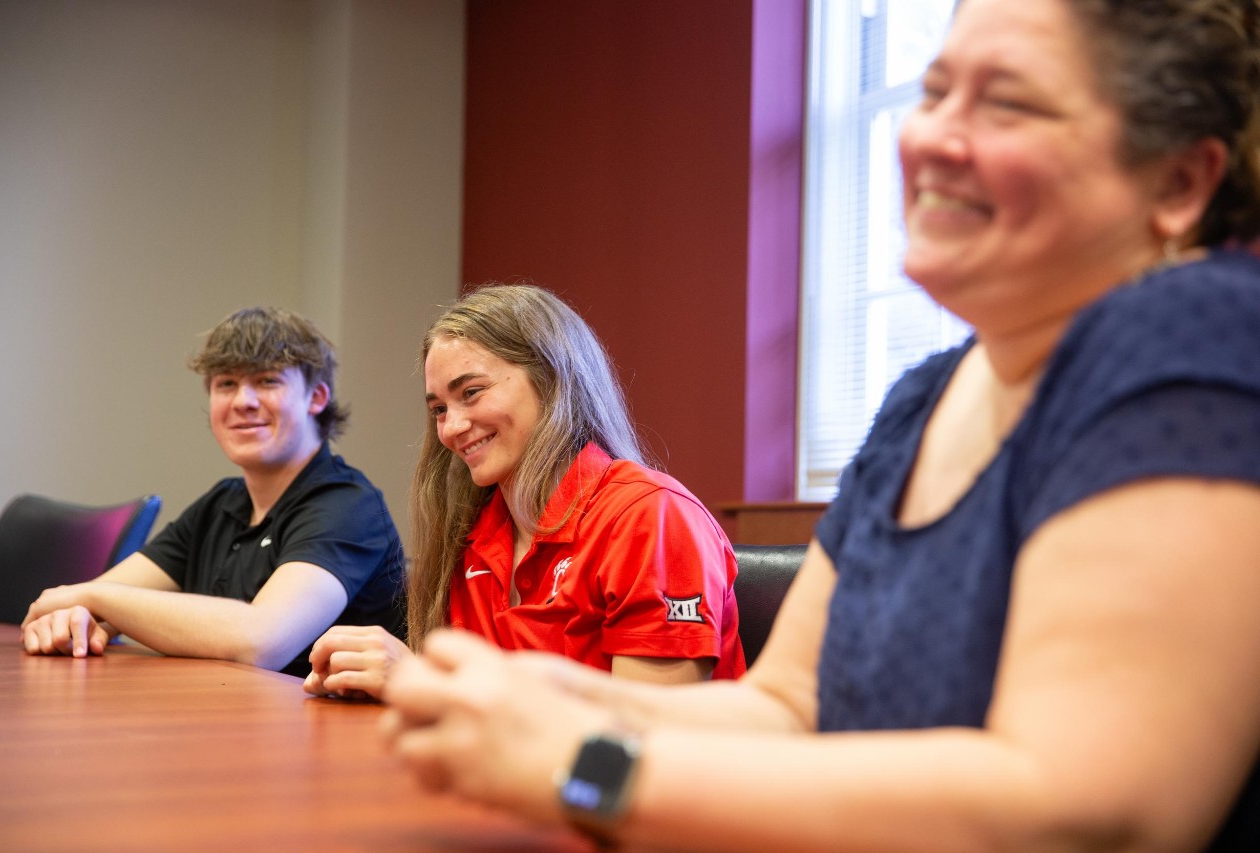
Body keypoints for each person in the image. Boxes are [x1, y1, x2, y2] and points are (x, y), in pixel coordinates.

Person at [377, 0, 1260, 849]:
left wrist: (588, 764)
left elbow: (1090, 811)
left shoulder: (1200, 338)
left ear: (1179, 183)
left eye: (1008, 103)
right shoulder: (924, 398)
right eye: (935, 90)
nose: (929, 137)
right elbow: (787, 707)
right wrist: (556, 696)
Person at [304, 284, 744, 700]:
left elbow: (645, 736)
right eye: (439, 409)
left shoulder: (651, 516)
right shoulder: (473, 531)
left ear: (552, 381)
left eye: (471, 393)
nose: (452, 428)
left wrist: (426, 684)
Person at [21, 306, 404, 678]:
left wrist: (96, 602)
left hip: (328, 735)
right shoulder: (221, 503)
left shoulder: (349, 504)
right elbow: (90, 603)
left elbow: (262, 641)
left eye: (268, 380)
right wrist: (77, 618)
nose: (243, 401)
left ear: (316, 398)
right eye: (226, 384)